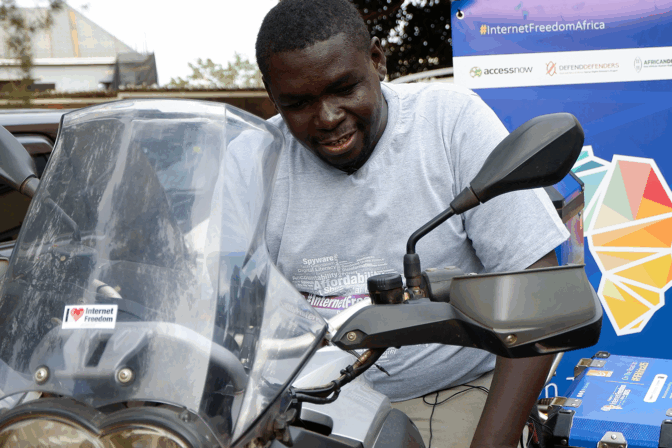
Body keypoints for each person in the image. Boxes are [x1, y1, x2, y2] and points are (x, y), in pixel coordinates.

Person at [254, 1, 569, 447]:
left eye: (344, 88)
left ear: (377, 61)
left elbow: (535, 291)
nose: (327, 117)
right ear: (273, 95)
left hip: (450, 392)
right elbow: (218, 305)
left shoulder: (451, 122)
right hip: (305, 404)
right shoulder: (253, 159)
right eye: (298, 103)